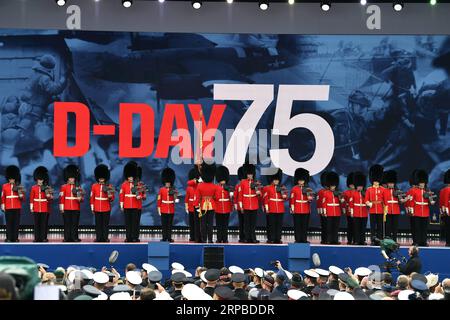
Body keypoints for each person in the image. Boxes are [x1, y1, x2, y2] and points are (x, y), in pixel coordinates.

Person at [409, 170, 436, 247]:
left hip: (425, 211)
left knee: (424, 228)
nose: (422, 184)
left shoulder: (428, 191)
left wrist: (432, 202)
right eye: (421, 183)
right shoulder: (413, 190)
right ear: (418, 183)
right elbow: (411, 201)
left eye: (423, 183)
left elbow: (430, 200)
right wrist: (411, 210)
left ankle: (423, 241)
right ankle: (416, 241)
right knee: (416, 228)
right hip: (416, 211)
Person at [119, 162, 143, 243]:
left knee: (135, 222)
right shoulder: (124, 185)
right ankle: (128, 237)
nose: (130, 178)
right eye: (129, 177)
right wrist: (122, 205)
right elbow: (122, 195)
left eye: (132, 176)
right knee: (128, 223)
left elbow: (141, 193)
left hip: (135, 205)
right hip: (127, 205)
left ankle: (135, 237)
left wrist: (140, 197)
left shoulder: (138, 184)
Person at [90, 164, 114, 242]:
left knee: (105, 224)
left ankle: (105, 237)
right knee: (98, 224)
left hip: (106, 207)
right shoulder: (94, 186)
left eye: (102, 178)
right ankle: (98, 237)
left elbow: (112, 198)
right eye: (100, 178)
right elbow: (92, 197)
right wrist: (92, 207)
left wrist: (110, 196)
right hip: (97, 207)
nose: (101, 180)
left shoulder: (109, 186)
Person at [59, 164, 83, 242]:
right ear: (67, 178)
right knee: (67, 223)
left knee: (75, 223)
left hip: (76, 207)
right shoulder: (64, 187)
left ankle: (74, 237)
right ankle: (67, 237)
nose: (71, 179)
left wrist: (80, 198)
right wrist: (62, 208)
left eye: (73, 178)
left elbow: (81, 199)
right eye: (70, 178)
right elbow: (62, 198)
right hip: (66, 207)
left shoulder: (78, 187)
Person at [238, 164, 261, 243]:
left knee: (253, 223)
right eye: (248, 174)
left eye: (251, 174)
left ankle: (253, 237)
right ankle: (247, 238)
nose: (250, 176)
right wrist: (241, 206)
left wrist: (258, 193)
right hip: (246, 204)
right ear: (246, 174)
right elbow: (240, 195)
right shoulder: (243, 182)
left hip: (254, 204)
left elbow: (259, 196)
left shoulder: (256, 182)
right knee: (246, 223)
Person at [194, 162, 216, 243]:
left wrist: (196, 207)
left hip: (202, 205)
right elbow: (216, 197)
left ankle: (204, 239)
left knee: (203, 223)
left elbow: (197, 197)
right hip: (211, 205)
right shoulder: (214, 186)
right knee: (210, 224)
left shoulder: (200, 185)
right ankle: (210, 239)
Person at [1, 165, 24, 242]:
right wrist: (3, 206)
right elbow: (3, 197)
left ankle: (15, 237)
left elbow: (23, 198)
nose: (11, 180)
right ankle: (8, 238)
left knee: (16, 223)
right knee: (9, 223)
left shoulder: (19, 186)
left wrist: (20, 194)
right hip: (8, 207)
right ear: (8, 178)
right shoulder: (4, 186)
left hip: (17, 207)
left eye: (13, 179)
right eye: (10, 179)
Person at [289, 168, 313, 243]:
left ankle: (304, 239)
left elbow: (311, 199)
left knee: (305, 225)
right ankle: (298, 239)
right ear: (297, 180)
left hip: (305, 208)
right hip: (297, 208)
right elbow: (292, 199)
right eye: (299, 180)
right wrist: (292, 208)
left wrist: (310, 198)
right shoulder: (294, 189)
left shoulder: (308, 189)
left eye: (302, 180)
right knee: (297, 225)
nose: (301, 182)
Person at [263, 169, 287, 244]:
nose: (276, 181)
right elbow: (265, 199)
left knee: (279, 225)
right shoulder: (268, 188)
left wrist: (284, 195)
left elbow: (285, 198)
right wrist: (266, 208)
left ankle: (278, 238)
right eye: (275, 180)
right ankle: (271, 238)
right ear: (272, 180)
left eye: (277, 180)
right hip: (271, 208)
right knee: (271, 224)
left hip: (280, 208)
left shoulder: (282, 188)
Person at [30, 166, 53, 242]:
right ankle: (37, 238)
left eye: (41, 179)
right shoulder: (33, 188)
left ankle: (43, 237)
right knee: (36, 224)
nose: (40, 181)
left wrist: (49, 196)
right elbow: (31, 198)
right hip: (36, 207)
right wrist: (31, 207)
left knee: (43, 224)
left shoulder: (47, 187)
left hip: (44, 207)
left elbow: (50, 199)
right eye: (39, 179)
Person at [364, 164, 385, 245]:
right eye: (375, 181)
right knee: (373, 226)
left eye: (377, 181)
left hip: (380, 210)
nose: (376, 182)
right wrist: (369, 204)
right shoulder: (369, 189)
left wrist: (385, 208)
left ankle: (379, 240)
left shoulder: (383, 189)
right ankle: (373, 240)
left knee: (380, 226)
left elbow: (385, 200)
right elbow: (366, 200)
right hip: (372, 210)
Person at [382, 170, 405, 242]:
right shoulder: (384, 191)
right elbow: (382, 201)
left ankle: (394, 239)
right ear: (387, 184)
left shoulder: (398, 190)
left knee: (395, 227)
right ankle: (388, 240)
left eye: (392, 183)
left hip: (395, 210)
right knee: (388, 226)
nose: (391, 184)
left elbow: (401, 200)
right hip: (387, 210)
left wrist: (406, 199)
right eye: (390, 183)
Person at [321, 171, 342, 244]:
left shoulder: (339, 193)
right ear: (329, 185)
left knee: (335, 227)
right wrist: (325, 212)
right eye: (332, 186)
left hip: (336, 211)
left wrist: (341, 199)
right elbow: (324, 203)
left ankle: (335, 240)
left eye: (334, 186)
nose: (333, 187)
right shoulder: (326, 193)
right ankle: (329, 240)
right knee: (329, 227)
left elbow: (341, 202)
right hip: (329, 211)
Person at [157, 167, 177, 242]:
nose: (168, 184)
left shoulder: (173, 189)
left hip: (171, 209)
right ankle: (164, 237)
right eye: (167, 182)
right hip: (164, 208)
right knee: (164, 224)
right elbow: (159, 200)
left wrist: (175, 195)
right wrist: (159, 208)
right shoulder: (161, 190)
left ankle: (169, 237)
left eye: (169, 183)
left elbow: (175, 200)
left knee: (169, 225)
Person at [214, 165, 232, 243]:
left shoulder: (229, 187)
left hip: (226, 207)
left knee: (225, 224)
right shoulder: (216, 187)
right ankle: (219, 238)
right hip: (218, 207)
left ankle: (225, 238)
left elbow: (231, 198)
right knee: (219, 224)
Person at [349, 172, 368, 245]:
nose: (360, 187)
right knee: (356, 228)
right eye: (359, 186)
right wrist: (352, 212)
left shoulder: (365, 193)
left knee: (363, 228)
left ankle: (362, 240)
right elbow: (351, 204)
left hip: (364, 213)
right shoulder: (353, 193)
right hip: (356, 212)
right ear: (356, 186)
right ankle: (356, 240)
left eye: (361, 186)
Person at [185, 166, 200, 242]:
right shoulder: (189, 187)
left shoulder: (199, 186)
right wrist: (186, 207)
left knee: (197, 222)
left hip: (197, 205)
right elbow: (186, 199)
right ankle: (192, 236)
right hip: (191, 206)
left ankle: (197, 236)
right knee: (191, 223)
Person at [343, 172, 355, 245]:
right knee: (350, 226)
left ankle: (355, 239)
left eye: (353, 184)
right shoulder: (346, 192)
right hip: (349, 211)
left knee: (356, 227)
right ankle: (349, 240)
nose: (352, 186)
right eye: (351, 184)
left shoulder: (358, 192)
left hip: (356, 212)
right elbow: (344, 203)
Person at [317, 171, 329, 244]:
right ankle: (324, 239)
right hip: (323, 212)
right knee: (324, 226)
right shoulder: (321, 192)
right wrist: (321, 212)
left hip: (331, 211)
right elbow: (319, 203)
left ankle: (330, 239)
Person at [234, 166, 245, 243]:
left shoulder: (239, 185)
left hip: (246, 206)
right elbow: (235, 197)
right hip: (240, 206)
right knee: (241, 222)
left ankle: (245, 236)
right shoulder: (238, 185)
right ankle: (242, 236)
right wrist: (236, 205)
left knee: (243, 222)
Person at [440, 169, 450, 246]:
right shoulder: (447, 189)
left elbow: (441, 203)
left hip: (446, 212)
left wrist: (442, 213)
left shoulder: (443, 190)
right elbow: (445, 202)